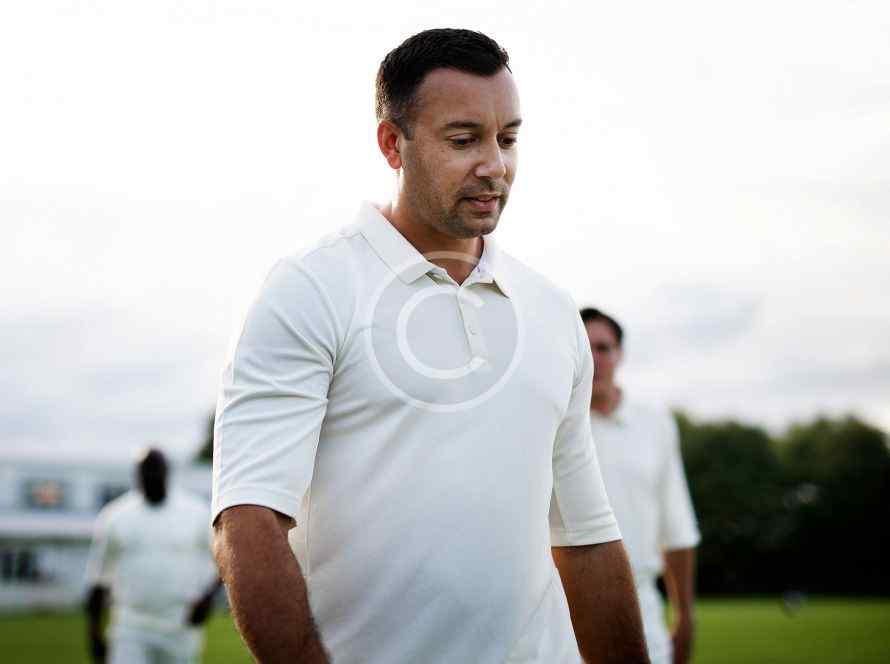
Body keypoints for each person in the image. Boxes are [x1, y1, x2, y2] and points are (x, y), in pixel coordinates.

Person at [211, 29, 649, 664]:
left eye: (507, 139)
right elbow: (248, 519)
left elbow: (586, 539)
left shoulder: (553, 312)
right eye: (463, 140)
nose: (494, 166)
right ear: (393, 144)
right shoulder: (309, 287)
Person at [581, 308, 701, 664]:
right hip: (561, 614)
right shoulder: (551, 421)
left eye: (603, 348)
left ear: (620, 354)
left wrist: (685, 616)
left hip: (642, 610)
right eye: (584, 348)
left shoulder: (656, 424)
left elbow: (677, 528)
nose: (594, 359)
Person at [84, 448, 222, 664]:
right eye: (146, 470)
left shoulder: (196, 512)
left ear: (167, 472)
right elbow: (98, 579)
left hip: (180, 625)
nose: (151, 475)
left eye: (156, 470)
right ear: (137, 474)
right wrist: (94, 632)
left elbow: (223, 559)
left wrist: (208, 599)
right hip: (131, 626)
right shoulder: (115, 516)